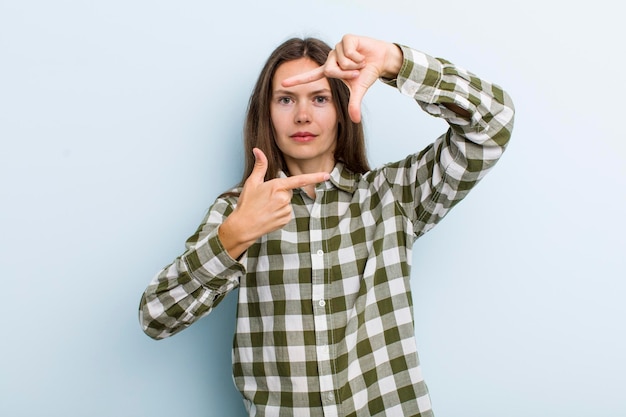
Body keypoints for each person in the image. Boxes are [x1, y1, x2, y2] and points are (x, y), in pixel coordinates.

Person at [139, 34, 515, 417]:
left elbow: (493, 124)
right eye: (286, 99)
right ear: (266, 114)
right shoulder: (238, 212)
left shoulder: (391, 195)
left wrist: (395, 62)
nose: (303, 115)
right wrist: (233, 237)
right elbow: (155, 317)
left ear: (341, 108)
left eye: (319, 99)